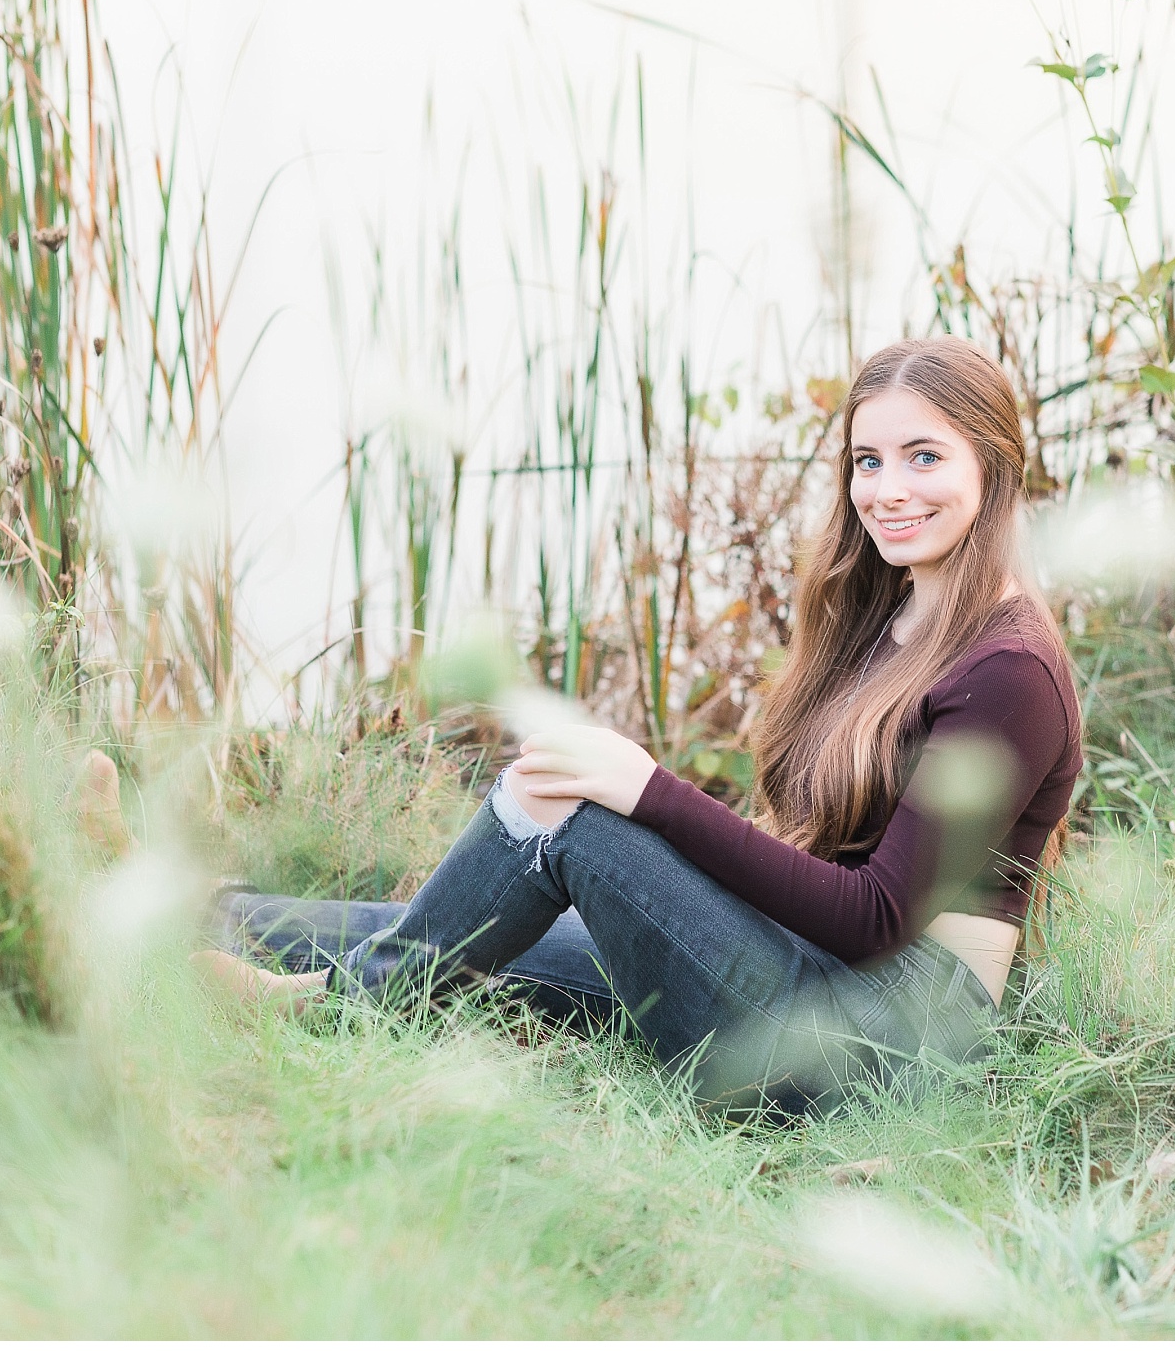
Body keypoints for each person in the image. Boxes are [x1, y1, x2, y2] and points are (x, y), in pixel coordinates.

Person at [189, 337, 1085, 1117]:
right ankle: (190, 916)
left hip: (888, 1047)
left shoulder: (1008, 672)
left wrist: (650, 795)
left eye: (924, 457)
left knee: (573, 821)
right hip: (817, 976)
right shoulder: (891, 622)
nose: (888, 490)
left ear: (994, 466)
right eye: (868, 461)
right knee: (478, 928)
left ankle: (330, 1007)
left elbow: (874, 916)